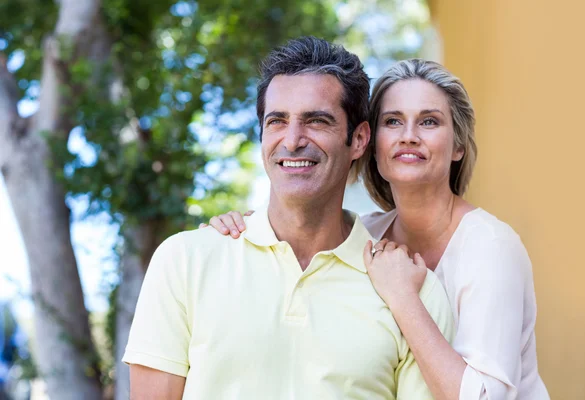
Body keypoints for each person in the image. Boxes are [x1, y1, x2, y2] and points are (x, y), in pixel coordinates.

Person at [123, 37, 454, 399]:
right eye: (277, 121)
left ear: (358, 139)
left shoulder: (414, 292)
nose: (293, 140)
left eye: (317, 121)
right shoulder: (185, 261)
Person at [205, 59, 549, 399]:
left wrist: (403, 297)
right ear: (369, 141)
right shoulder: (364, 235)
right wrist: (247, 227)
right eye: (393, 121)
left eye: (429, 121)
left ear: (458, 145)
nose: (409, 137)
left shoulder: (490, 247)